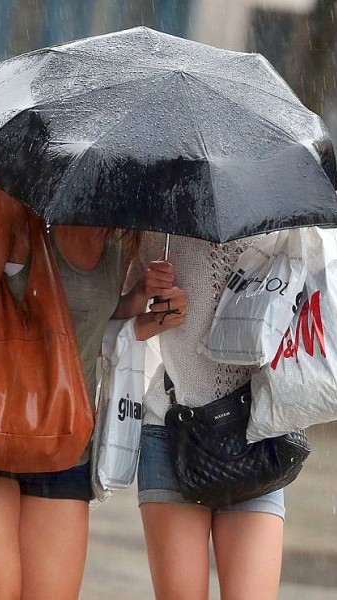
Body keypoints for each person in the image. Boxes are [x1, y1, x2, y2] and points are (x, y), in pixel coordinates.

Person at [0, 164, 186, 600]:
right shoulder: (16, 204)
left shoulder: (122, 230)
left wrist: (138, 300)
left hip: (64, 439)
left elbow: (87, 319)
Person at [127, 232, 289, 600]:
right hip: (173, 431)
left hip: (257, 434)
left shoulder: (282, 228)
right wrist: (145, 297)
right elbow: (110, 320)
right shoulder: (159, 224)